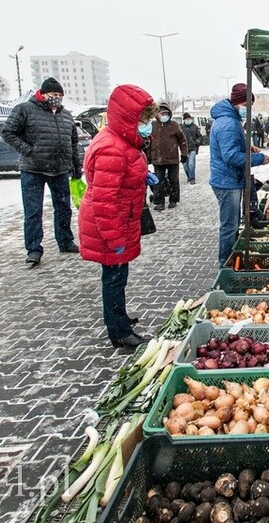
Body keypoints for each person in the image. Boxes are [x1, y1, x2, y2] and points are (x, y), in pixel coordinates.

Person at [77, 85, 157, 349]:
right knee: (113, 277)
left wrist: (141, 176)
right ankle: (119, 332)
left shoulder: (121, 141)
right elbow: (104, 201)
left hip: (120, 220)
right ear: (128, 118)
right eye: (144, 120)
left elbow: (118, 180)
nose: (147, 126)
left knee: (118, 276)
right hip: (109, 225)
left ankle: (118, 317)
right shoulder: (113, 148)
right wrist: (114, 239)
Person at [2, 77, 81, 267]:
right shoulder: (25, 110)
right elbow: (8, 132)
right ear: (43, 94)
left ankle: (65, 240)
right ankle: (34, 249)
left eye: (60, 96)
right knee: (33, 212)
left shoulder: (66, 115)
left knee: (63, 208)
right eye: (54, 95)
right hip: (33, 169)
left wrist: (76, 168)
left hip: (60, 168)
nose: (57, 98)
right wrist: (29, 150)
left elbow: (73, 143)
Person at [209, 83, 269, 268]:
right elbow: (231, 156)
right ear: (239, 103)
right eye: (247, 106)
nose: (248, 111)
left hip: (229, 179)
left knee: (232, 224)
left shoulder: (229, 119)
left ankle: (232, 260)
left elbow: (231, 147)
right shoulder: (227, 122)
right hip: (227, 181)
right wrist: (259, 158)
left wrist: (247, 147)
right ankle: (226, 263)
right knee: (230, 226)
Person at [146, 102, 188, 210]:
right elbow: (149, 142)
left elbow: (182, 140)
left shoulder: (174, 125)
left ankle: (173, 200)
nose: (163, 116)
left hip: (172, 158)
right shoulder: (153, 126)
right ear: (157, 114)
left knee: (173, 180)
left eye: (166, 113)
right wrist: (148, 156)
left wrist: (184, 154)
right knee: (158, 181)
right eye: (161, 113)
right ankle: (159, 202)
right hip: (158, 159)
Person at [180, 112, 202, 184]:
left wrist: (197, 141)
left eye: (189, 119)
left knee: (191, 164)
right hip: (184, 149)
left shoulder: (194, 127)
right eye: (186, 119)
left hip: (193, 148)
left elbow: (200, 136)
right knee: (185, 165)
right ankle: (189, 176)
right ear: (184, 120)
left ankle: (192, 178)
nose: (188, 120)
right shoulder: (181, 127)